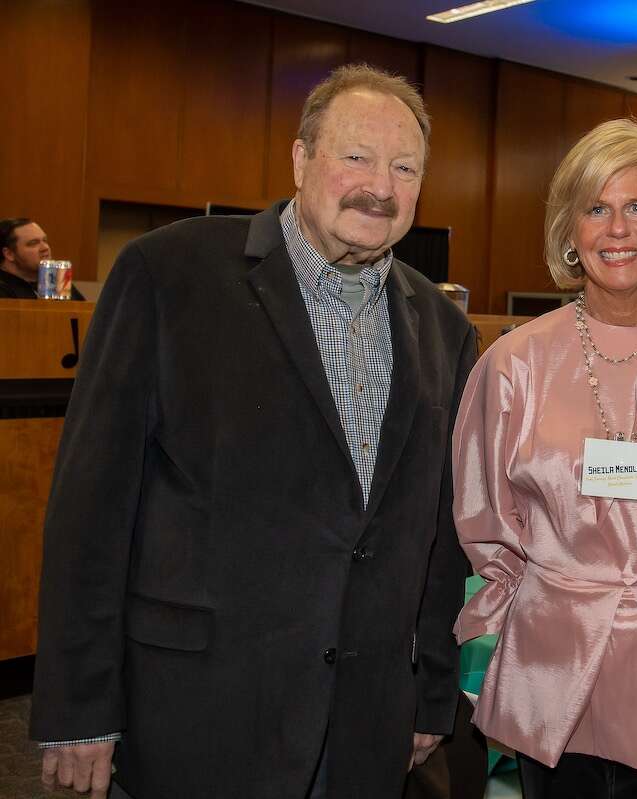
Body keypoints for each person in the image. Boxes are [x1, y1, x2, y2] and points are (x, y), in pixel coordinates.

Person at [30, 64, 475, 799]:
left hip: (365, 727)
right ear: (300, 159)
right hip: (198, 717)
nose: (381, 186)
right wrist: (79, 710)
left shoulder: (443, 330)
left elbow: (437, 534)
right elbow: (91, 511)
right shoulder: (167, 275)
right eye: (356, 157)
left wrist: (428, 691)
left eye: (405, 167)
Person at [453, 119, 637, 798]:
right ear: (571, 232)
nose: (618, 229)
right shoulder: (514, 363)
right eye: (596, 208)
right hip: (553, 662)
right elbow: (483, 518)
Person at [0, 217, 85, 299]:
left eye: (45, 240)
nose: (45, 248)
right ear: (9, 254)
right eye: (33, 243)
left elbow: (84, 312)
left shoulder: (55, 279)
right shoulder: (3, 290)